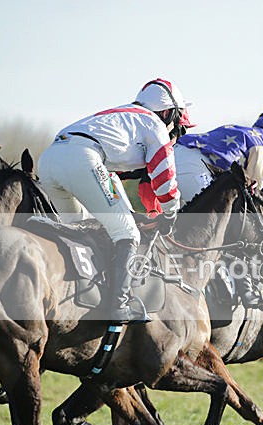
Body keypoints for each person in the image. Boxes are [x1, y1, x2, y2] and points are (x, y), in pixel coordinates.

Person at [37, 78, 192, 323]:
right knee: (127, 233)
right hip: (83, 158)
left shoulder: (125, 117)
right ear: (167, 112)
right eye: (178, 121)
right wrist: (171, 212)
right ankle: (120, 304)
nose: (176, 130)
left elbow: (109, 177)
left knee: (79, 230)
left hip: (49, 159)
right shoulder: (154, 125)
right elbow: (164, 178)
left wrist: (130, 213)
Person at [174, 109, 263, 310]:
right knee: (230, 226)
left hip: (176, 157)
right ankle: (246, 287)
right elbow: (252, 204)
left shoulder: (249, 135)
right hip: (192, 167)